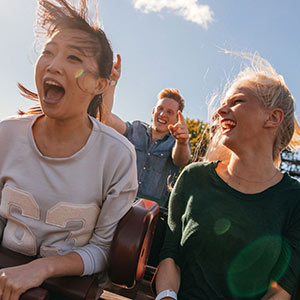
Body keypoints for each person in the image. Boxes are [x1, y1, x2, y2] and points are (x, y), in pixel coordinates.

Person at [0, 0, 138, 299]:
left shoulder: (118, 156)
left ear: (101, 84)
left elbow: (102, 250)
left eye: (74, 58)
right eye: (48, 52)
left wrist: (43, 268)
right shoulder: (5, 134)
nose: (53, 64)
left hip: (68, 290)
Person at [155, 52, 300, 300]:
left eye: (237, 101)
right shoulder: (193, 178)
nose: (221, 110)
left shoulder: (294, 200)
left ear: (273, 117)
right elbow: (171, 256)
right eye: (224, 102)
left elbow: (282, 290)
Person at [102, 55, 190, 206]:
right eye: (160, 109)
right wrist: (111, 83)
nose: (162, 114)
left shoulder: (176, 143)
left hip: (151, 214)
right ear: (153, 111)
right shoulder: (135, 129)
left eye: (169, 112)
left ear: (176, 119)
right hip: (116, 203)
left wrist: (182, 142)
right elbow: (106, 118)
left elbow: (181, 160)